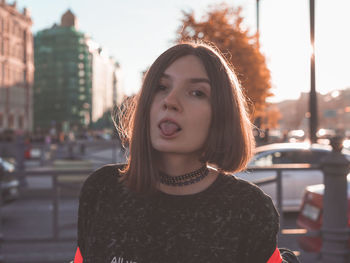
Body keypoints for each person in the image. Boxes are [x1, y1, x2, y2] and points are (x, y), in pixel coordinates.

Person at [74, 42, 299, 263]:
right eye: (161, 87)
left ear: (221, 114)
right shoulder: (102, 188)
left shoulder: (249, 208)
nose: (170, 101)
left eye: (196, 92)